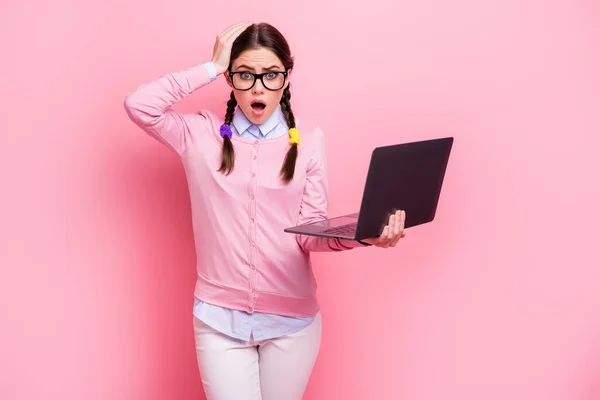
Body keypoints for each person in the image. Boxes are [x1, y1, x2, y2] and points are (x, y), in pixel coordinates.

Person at [123, 21, 406, 400]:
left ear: (287, 77)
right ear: (230, 78)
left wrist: (362, 235)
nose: (258, 87)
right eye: (244, 74)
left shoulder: (307, 140)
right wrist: (210, 66)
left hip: (293, 324)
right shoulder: (198, 135)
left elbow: (309, 232)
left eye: (271, 75)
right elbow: (138, 105)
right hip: (219, 320)